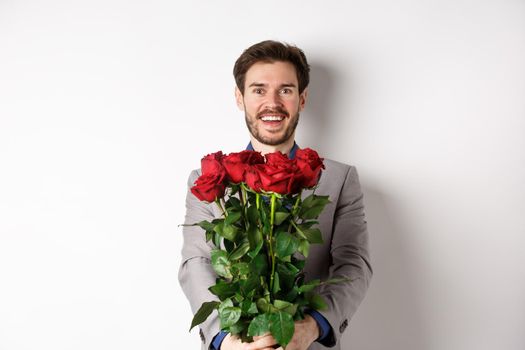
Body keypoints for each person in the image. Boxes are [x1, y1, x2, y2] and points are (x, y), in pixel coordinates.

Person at [178, 40, 372, 350]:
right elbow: (196, 262)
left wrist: (312, 328)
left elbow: (353, 265)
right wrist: (224, 339)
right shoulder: (207, 179)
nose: (273, 102)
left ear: (302, 98)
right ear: (240, 98)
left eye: (285, 90)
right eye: (258, 90)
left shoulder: (339, 179)